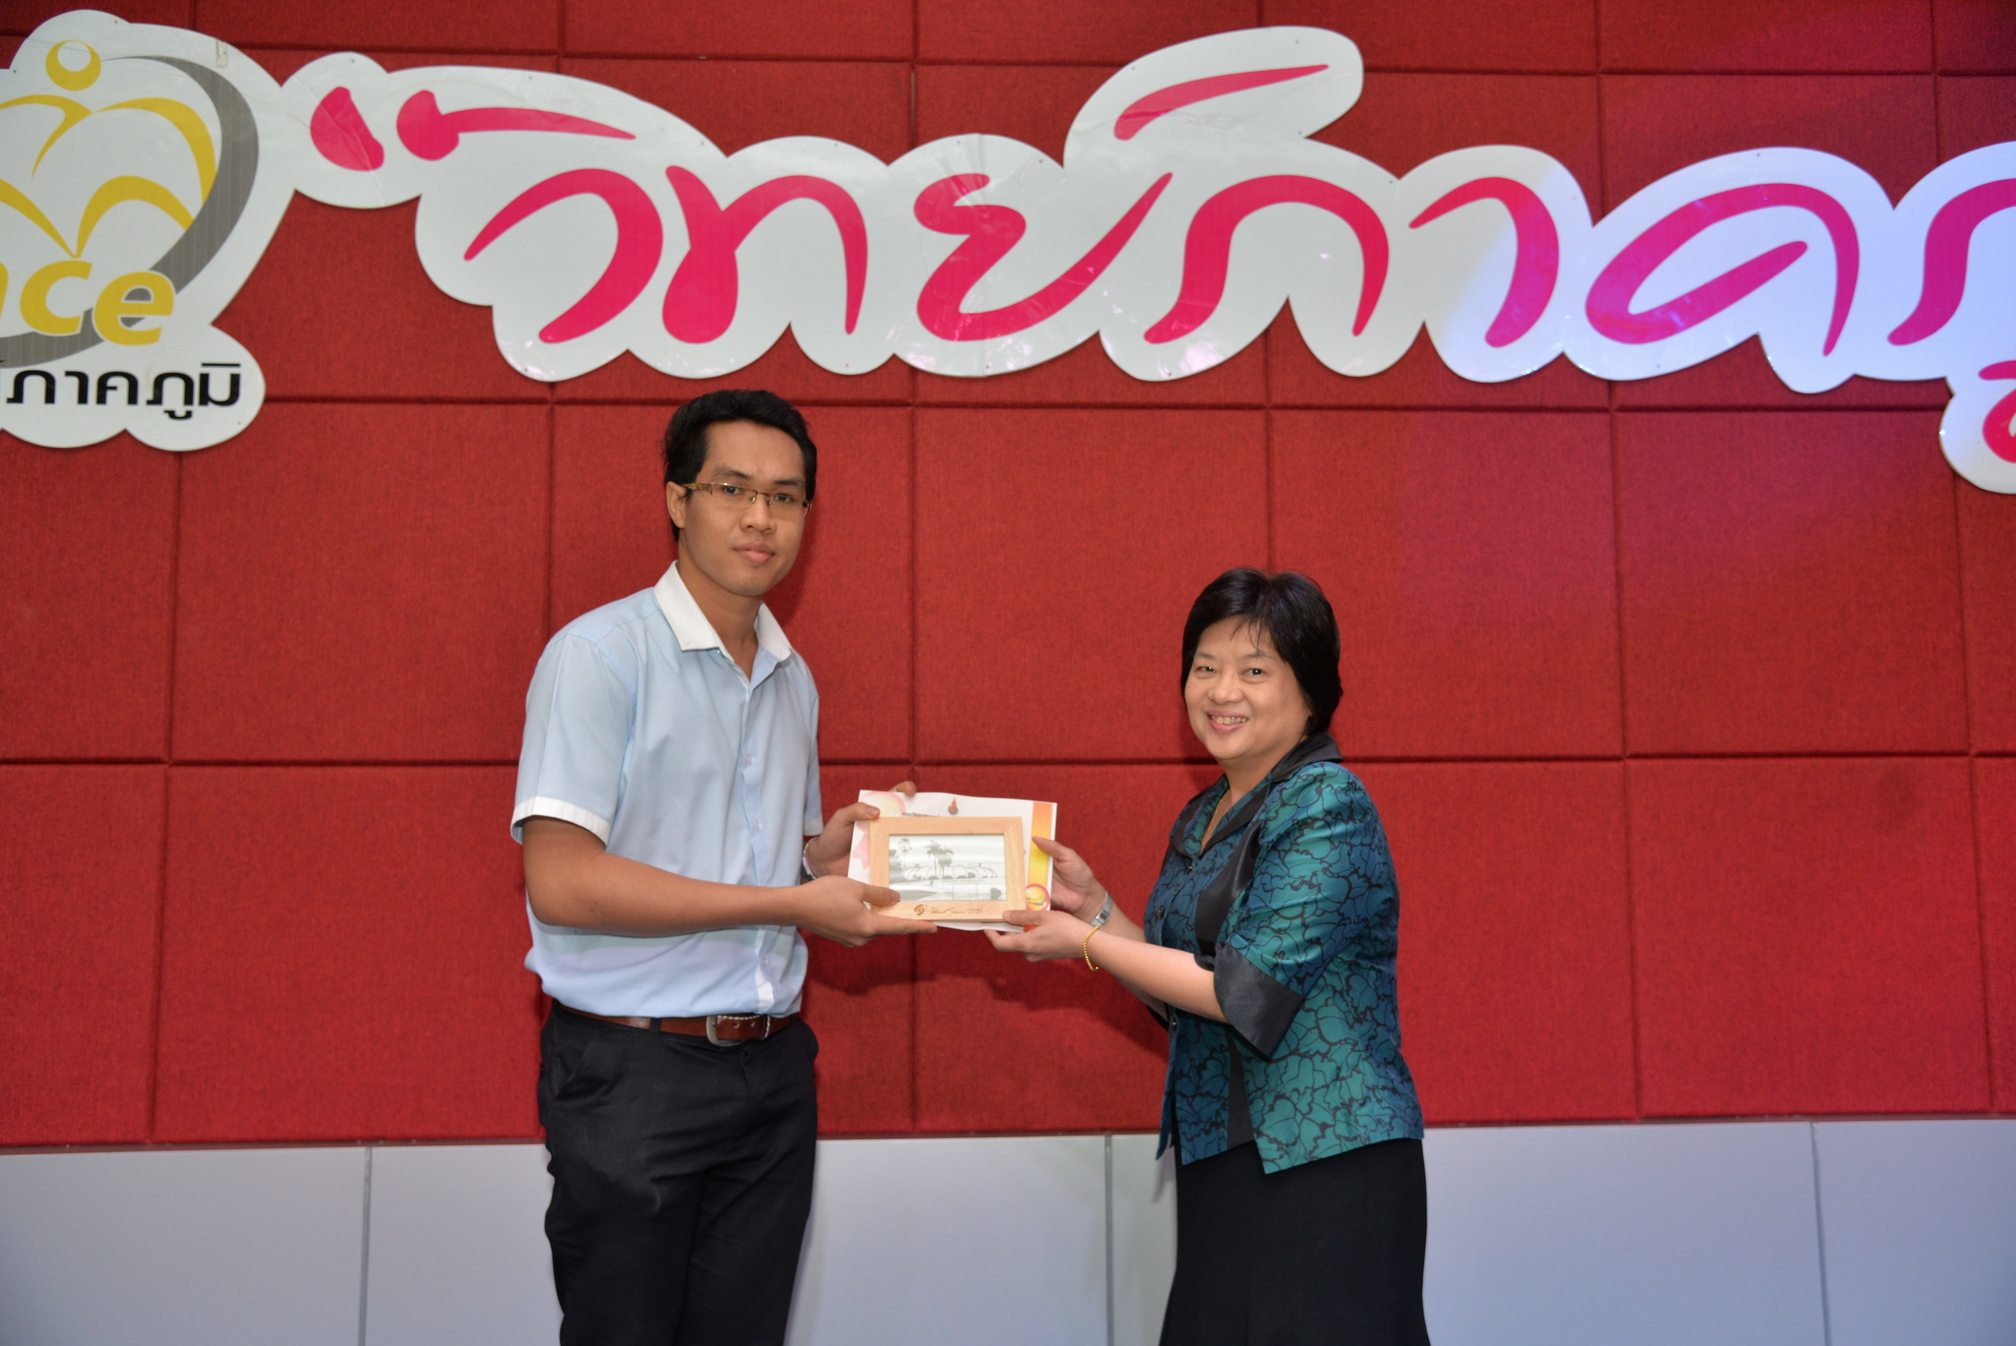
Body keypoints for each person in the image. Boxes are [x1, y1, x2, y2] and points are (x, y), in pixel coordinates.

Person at [513, 389, 933, 1346]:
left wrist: (820, 857)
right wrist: (793, 898)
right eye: (732, 489)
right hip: (632, 1072)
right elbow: (562, 882)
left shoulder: (791, 676)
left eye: (785, 498)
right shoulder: (599, 656)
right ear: (677, 500)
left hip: (772, 1068)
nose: (760, 518)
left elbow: (757, 860)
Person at [991, 568, 1429, 1345]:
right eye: (1205, 667)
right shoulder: (1204, 816)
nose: (1222, 691)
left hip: (1327, 1164)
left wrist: (1086, 944)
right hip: (1222, 1160)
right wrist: (1094, 908)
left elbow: (1243, 991)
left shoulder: (1327, 803)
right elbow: (1180, 986)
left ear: (1310, 692)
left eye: (1254, 671)